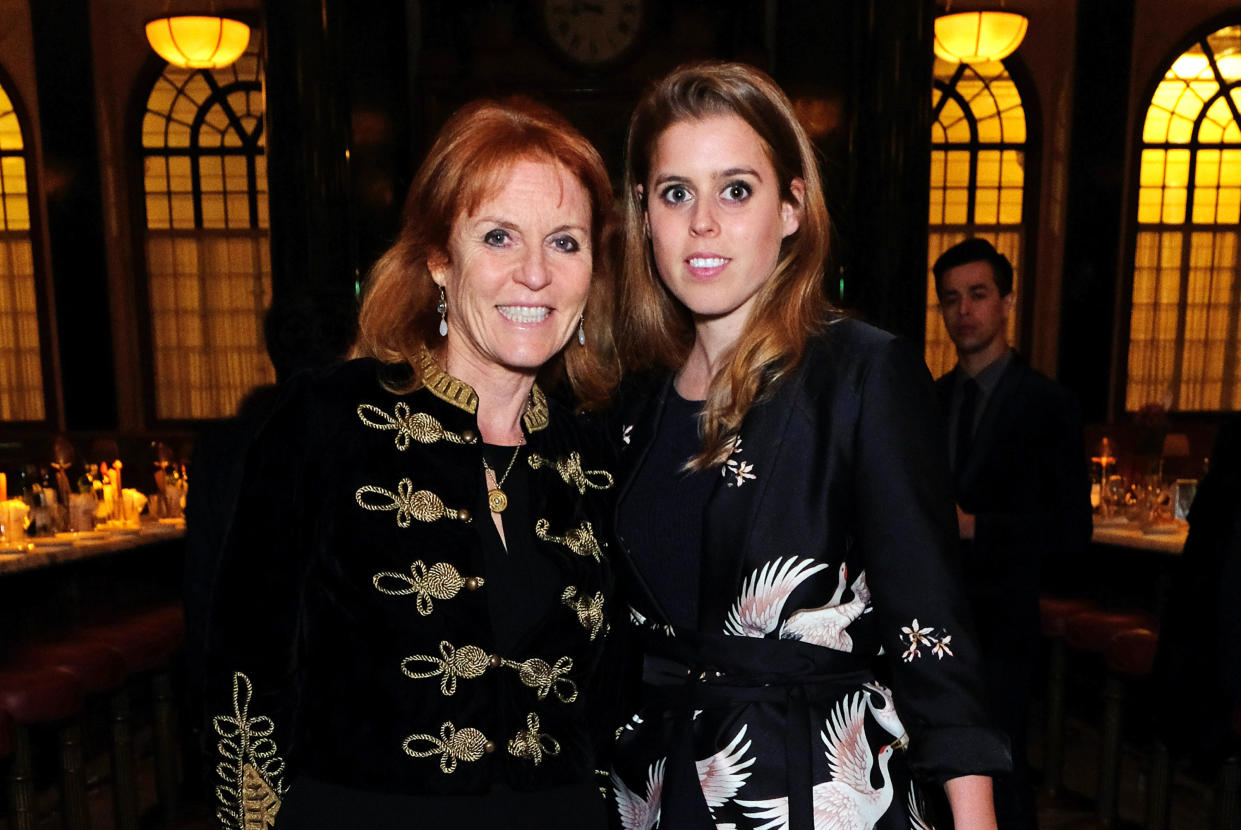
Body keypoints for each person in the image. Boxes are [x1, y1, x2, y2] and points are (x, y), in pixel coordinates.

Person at [194, 96, 624, 830]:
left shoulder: (593, 459)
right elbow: (244, 664)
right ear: (437, 259)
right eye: (497, 237)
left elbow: (612, 695)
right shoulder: (325, 422)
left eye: (564, 242)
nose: (534, 274)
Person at [608, 61, 1009, 830]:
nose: (702, 223)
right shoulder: (630, 400)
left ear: (791, 206)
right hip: (652, 794)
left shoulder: (860, 372)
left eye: (735, 189)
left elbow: (927, 617)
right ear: (643, 213)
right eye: (674, 192)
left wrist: (974, 812)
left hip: (814, 792)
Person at [932, 238, 1092, 829]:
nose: (964, 310)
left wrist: (979, 528)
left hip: (1007, 617)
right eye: (951, 299)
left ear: (1006, 302)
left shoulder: (1049, 404)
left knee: (1001, 771)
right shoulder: (931, 399)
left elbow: (1074, 530)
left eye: (978, 295)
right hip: (937, 620)